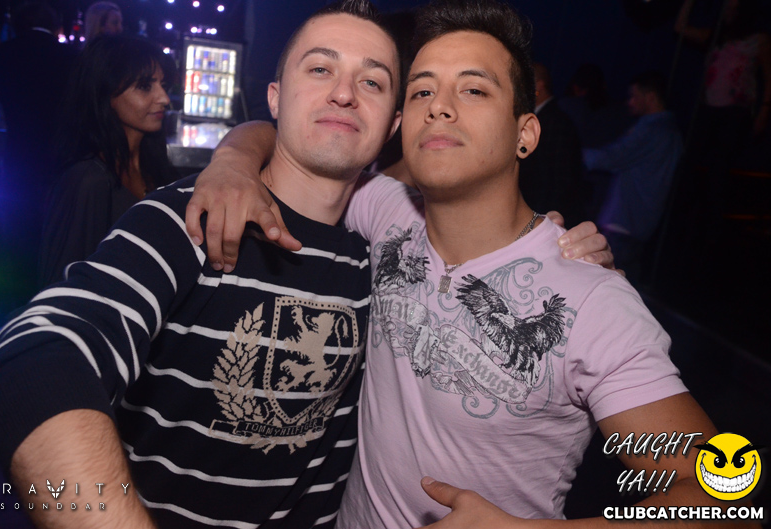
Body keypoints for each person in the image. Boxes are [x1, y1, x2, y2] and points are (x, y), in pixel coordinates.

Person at [0, 2, 610, 528]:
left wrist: (552, 254)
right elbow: (36, 354)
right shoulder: (195, 217)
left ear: (394, 122)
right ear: (274, 98)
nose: (343, 93)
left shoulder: (391, 249)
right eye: (320, 69)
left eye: (372, 81)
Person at [186, 1, 728, 527]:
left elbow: (724, 499)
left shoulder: (590, 301)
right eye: (422, 90)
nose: (439, 107)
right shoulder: (386, 211)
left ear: (525, 134)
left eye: (473, 89)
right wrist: (233, 160)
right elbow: (298, 138)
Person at [38, 35, 179, 287]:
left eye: (163, 85)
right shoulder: (89, 180)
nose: (164, 99)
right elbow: (62, 284)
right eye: (145, 86)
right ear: (106, 95)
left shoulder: (153, 167)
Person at [0, 1, 78, 302]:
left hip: (19, 157)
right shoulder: (72, 57)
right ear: (56, 26)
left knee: (18, 236)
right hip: (62, 160)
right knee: (59, 238)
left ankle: (18, 301)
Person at [675, 0, 771, 231]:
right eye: (726, 7)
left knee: (718, 170)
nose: (729, 12)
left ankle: (712, 226)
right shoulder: (716, 35)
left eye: (734, 8)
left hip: (734, 112)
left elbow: (770, 79)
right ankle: (684, 222)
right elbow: (680, 28)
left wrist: (763, 112)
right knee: (690, 165)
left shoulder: (758, 40)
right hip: (708, 109)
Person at [585, 71, 683, 281]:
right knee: (624, 281)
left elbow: (612, 157)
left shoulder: (652, 130)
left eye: (634, 96)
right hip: (641, 221)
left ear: (650, 97)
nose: (629, 102)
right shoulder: (672, 131)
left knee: (606, 282)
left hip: (624, 221)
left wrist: (569, 153)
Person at [519, 62, 584, 227]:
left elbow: (560, 178)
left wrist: (543, 220)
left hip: (546, 216)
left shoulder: (556, 121)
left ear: (539, 86)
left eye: (523, 83)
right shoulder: (544, 117)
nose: (519, 90)